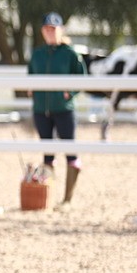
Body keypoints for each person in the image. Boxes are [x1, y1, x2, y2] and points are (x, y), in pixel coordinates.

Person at [28, 12, 88, 209]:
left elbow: (82, 78)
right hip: (41, 109)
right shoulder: (37, 54)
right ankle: (47, 198)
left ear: (61, 30)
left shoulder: (70, 54)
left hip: (63, 109)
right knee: (47, 154)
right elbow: (30, 76)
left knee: (71, 152)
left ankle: (67, 200)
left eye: (53, 29)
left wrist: (69, 93)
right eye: (46, 29)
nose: (50, 32)